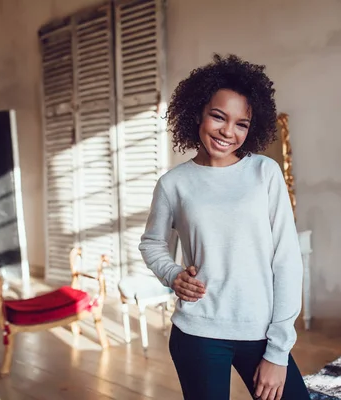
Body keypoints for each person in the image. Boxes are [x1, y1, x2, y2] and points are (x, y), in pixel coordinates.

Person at [139, 54, 310, 400]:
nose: (228, 132)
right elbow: (151, 243)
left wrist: (277, 351)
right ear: (198, 112)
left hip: (261, 332)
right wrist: (172, 274)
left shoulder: (265, 173)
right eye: (218, 116)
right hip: (197, 333)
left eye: (241, 124)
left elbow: (287, 262)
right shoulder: (174, 183)